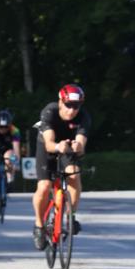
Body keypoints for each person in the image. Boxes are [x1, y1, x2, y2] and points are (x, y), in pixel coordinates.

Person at [32, 84, 90, 250]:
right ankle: (39, 225)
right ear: (60, 102)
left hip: (68, 149)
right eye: (68, 105)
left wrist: (78, 146)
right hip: (49, 147)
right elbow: (49, 144)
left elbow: (81, 143)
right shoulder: (49, 112)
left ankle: (70, 216)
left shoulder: (84, 116)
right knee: (44, 186)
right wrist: (58, 146)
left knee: (73, 174)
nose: (72, 110)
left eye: (76, 106)